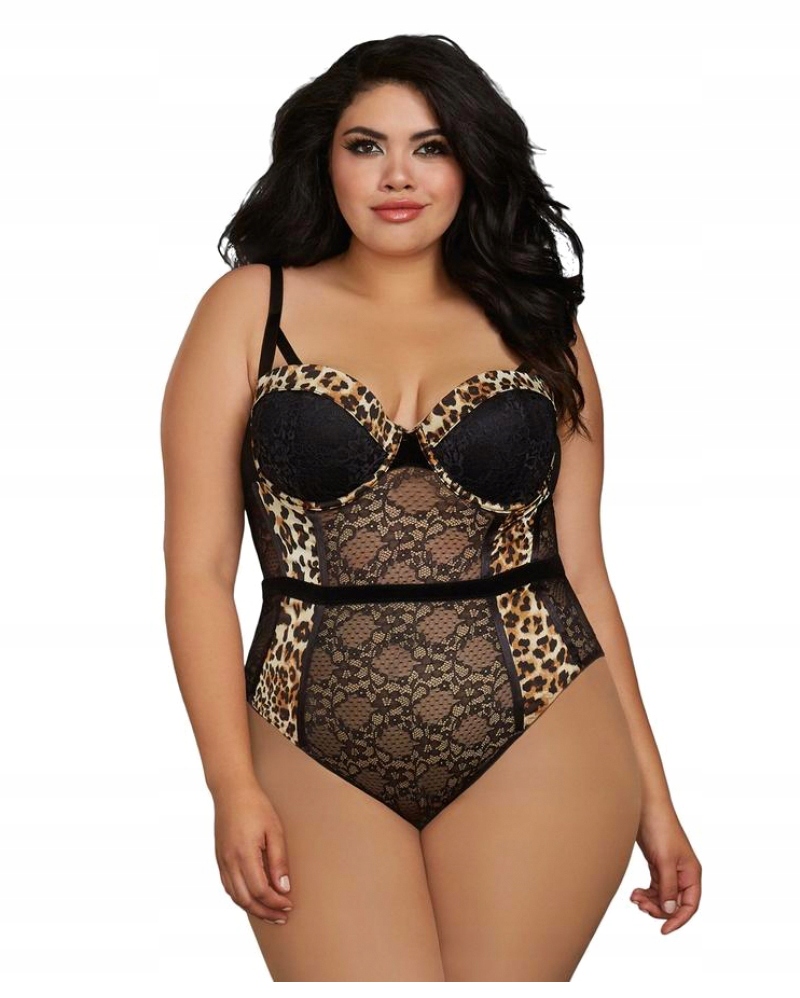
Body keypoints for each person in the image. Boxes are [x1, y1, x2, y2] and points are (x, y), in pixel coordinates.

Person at [161, 33, 702, 982]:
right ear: (325, 159)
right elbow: (199, 574)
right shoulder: (250, 309)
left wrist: (658, 800)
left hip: (545, 721)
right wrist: (229, 785)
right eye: (366, 145)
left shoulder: (540, 326)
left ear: (469, 164)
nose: (398, 175)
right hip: (305, 728)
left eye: (432, 146)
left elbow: (582, 570)